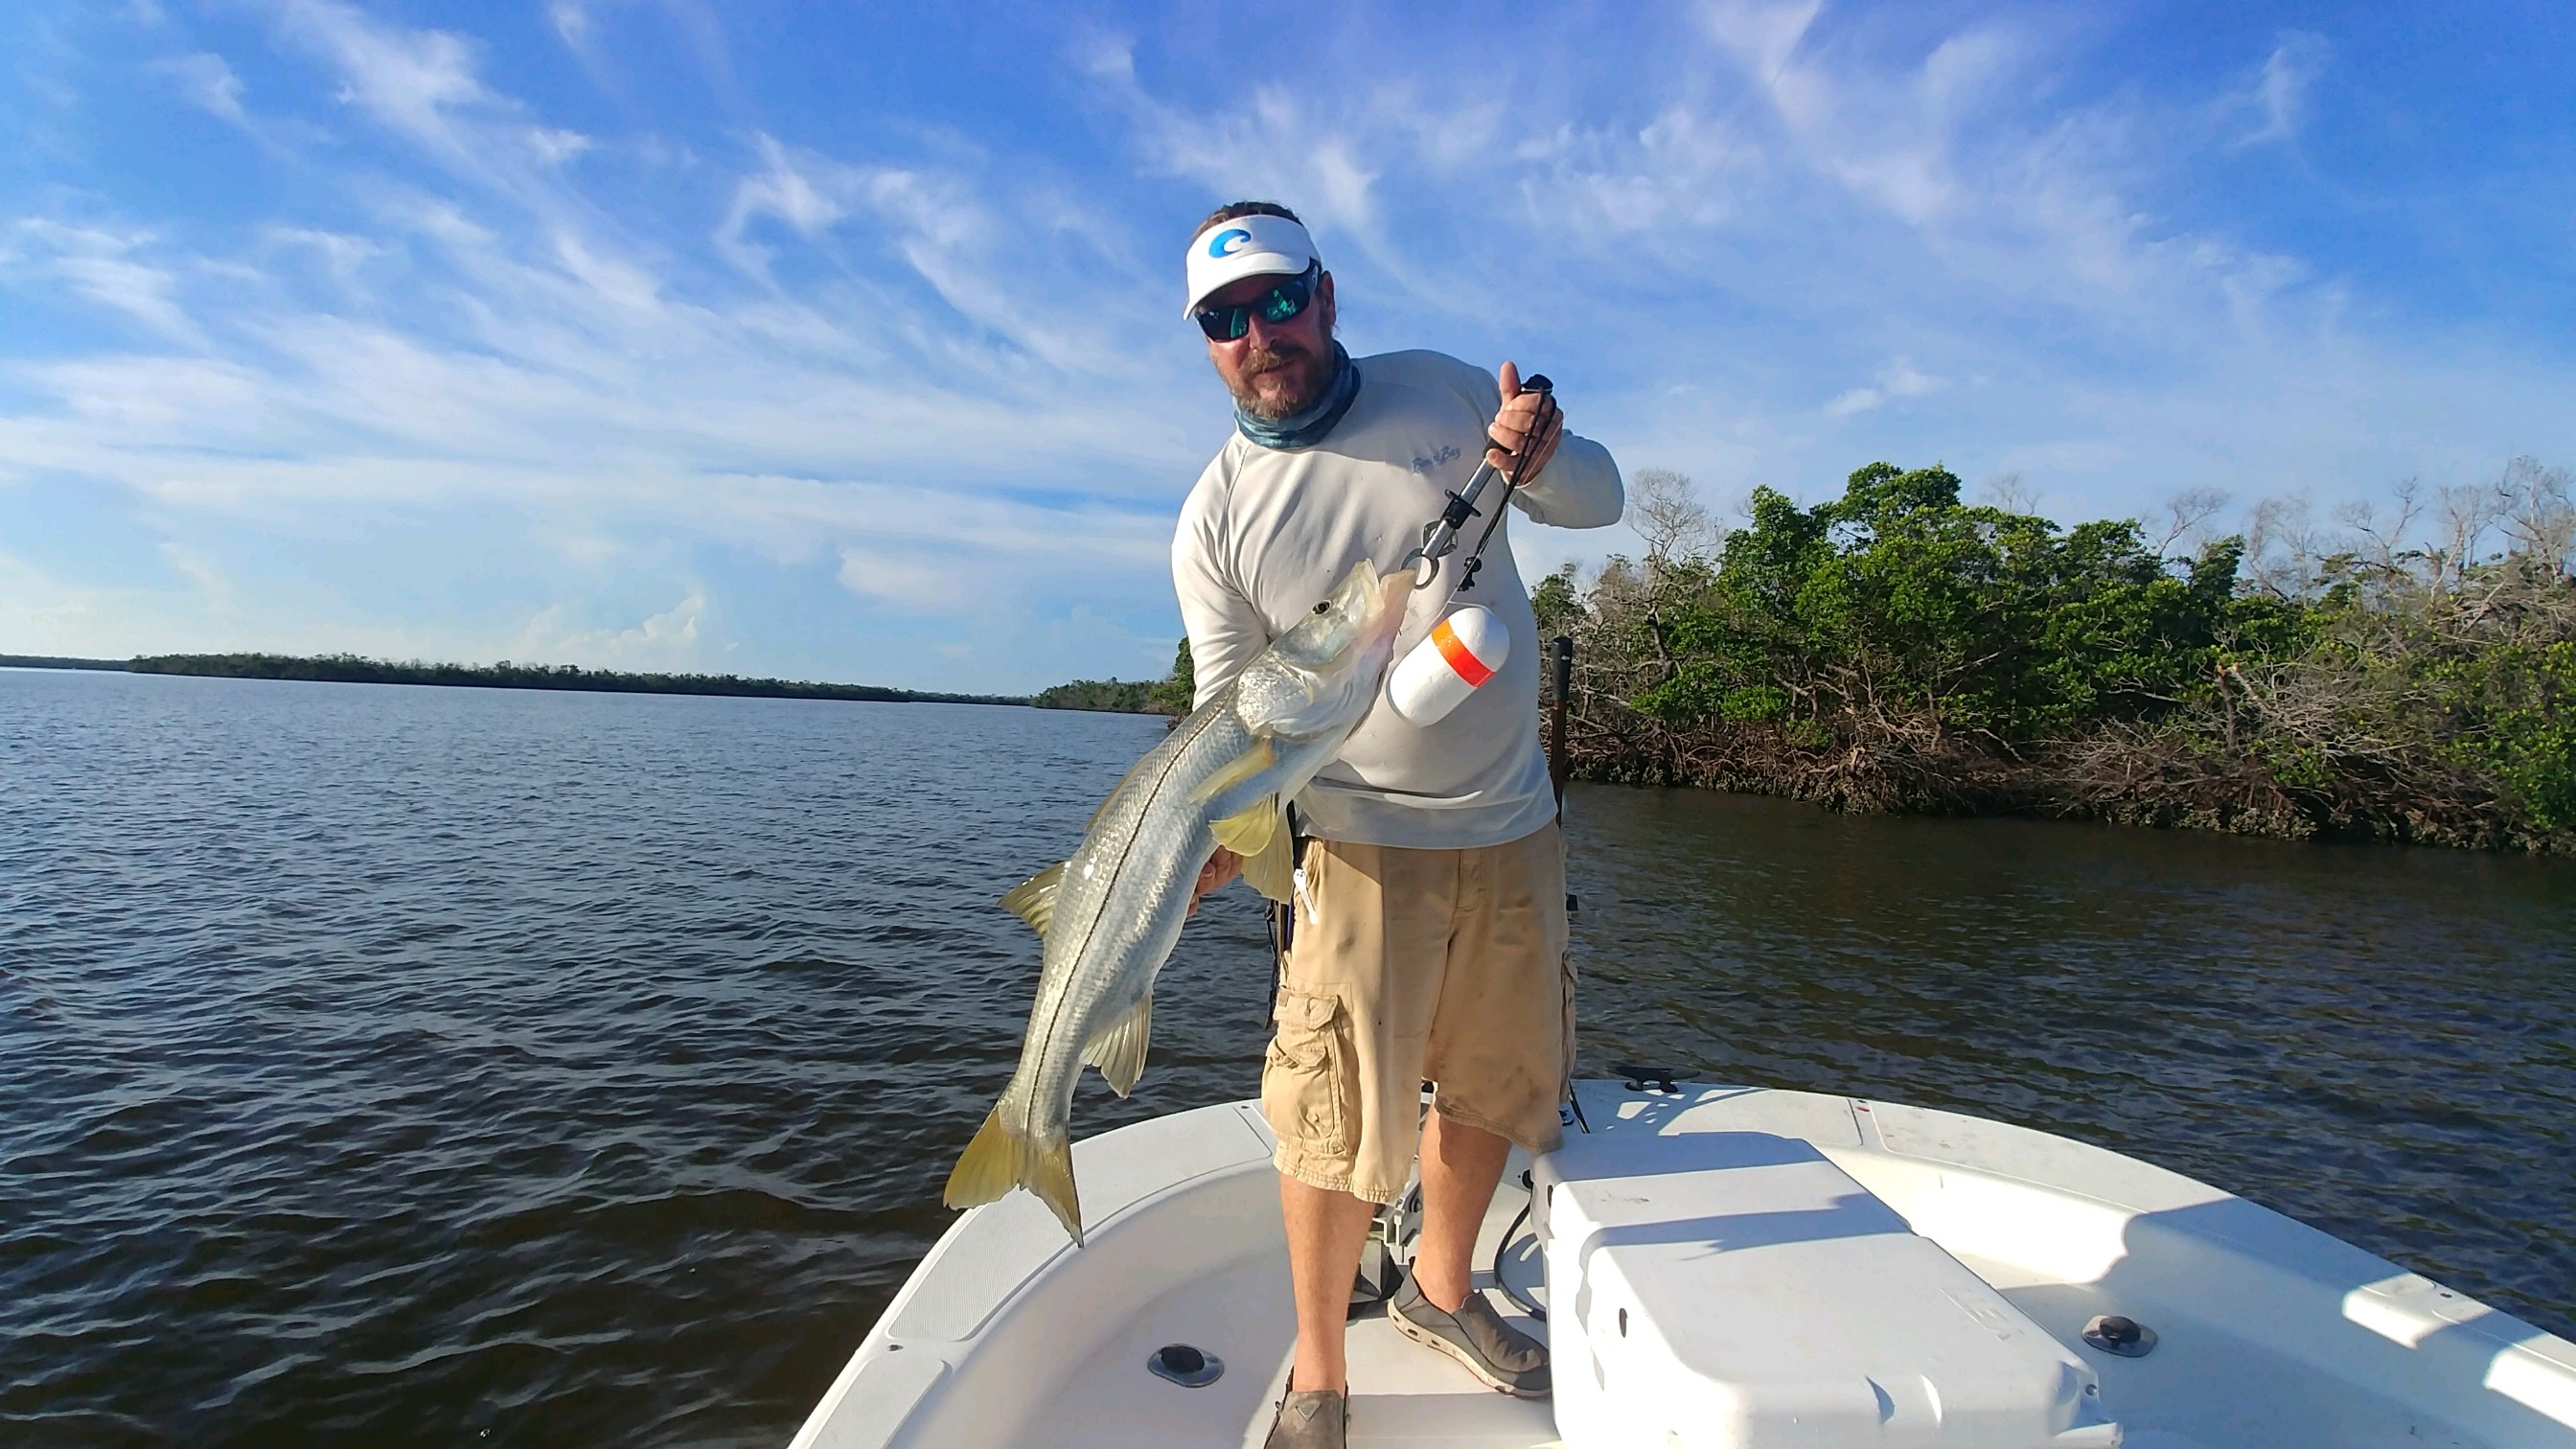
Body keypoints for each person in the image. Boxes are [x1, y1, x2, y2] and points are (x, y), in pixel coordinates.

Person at [1169, 201, 1624, 1449]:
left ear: (1326, 295)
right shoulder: (1214, 524)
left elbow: (1601, 500)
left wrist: (1541, 458)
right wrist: (1224, 823)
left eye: (1277, 301)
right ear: (1205, 342)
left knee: (1495, 1080)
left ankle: (1441, 1289)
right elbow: (1230, 711)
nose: (1260, 333)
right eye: (1226, 318)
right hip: (1361, 844)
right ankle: (1321, 1376)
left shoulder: (1437, 392)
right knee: (1327, 1122)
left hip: (1514, 824)